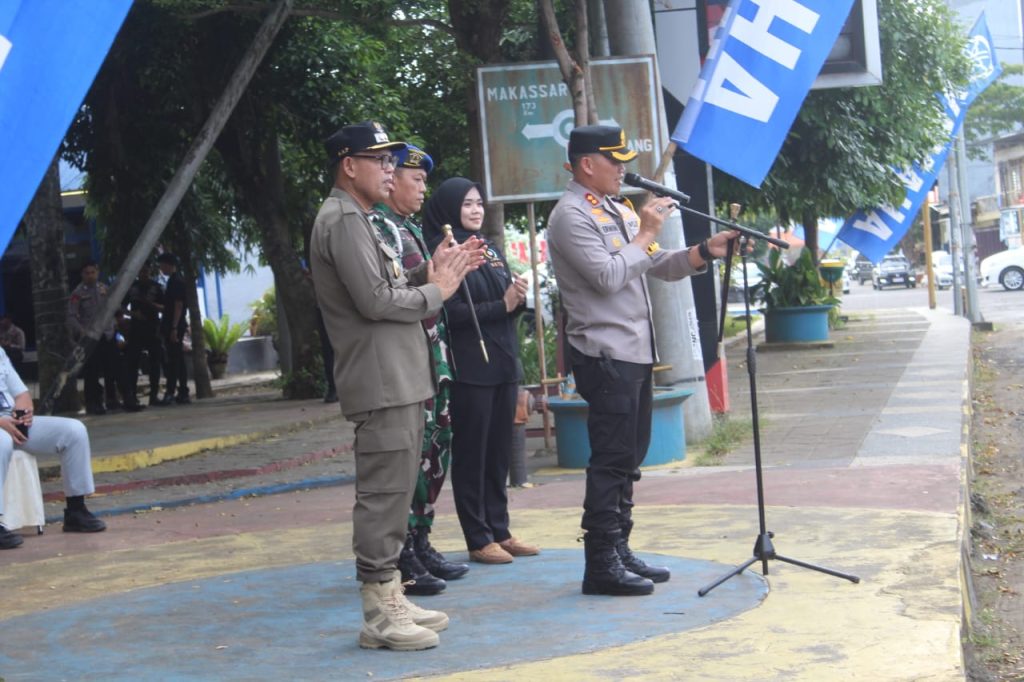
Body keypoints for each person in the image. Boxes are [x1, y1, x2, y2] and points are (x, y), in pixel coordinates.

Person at [309, 121, 481, 651]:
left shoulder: (359, 218)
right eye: (380, 160)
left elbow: (388, 288)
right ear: (348, 165)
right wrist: (438, 289)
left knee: (397, 490)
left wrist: (430, 275)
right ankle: (377, 613)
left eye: (391, 161)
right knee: (383, 497)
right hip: (380, 381)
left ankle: (390, 593)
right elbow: (376, 303)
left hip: (400, 377)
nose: (390, 169)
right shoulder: (341, 220)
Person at [546, 125, 739, 596]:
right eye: (615, 161)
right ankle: (600, 564)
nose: (623, 170)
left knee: (629, 457)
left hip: (634, 352)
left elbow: (658, 264)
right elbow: (609, 276)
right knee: (611, 459)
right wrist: (648, 229)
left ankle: (620, 547)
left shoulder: (616, 210)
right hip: (604, 353)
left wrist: (702, 252)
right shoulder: (571, 216)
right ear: (587, 164)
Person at [369, 146, 470, 597]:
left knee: (435, 450)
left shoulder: (407, 228)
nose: (421, 188)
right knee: (412, 457)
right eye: (416, 179)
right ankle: (403, 550)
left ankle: (421, 538)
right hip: (408, 360)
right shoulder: (380, 229)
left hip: (433, 356)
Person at [422, 178, 538, 566]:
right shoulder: (444, 253)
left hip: (503, 362)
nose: (475, 210)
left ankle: (500, 529)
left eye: (479, 203)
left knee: (498, 453)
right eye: (467, 204)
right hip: (471, 367)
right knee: (473, 454)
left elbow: (504, 302)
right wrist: (502, 306)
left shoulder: (487, 248)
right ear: (449, 209)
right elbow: (450, 313)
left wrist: (516, 299)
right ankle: (478, 535)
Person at [0, 348, 106, 550]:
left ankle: (76, 511)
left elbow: (21, 394)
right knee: (2, 442)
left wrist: (25, 414)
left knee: (74, 431)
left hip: (12, 422)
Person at [67, 262, 121, 414]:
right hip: (91, 337)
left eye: (93, 272)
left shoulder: (105, 289)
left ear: (97, 273)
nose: (90, 276)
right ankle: (93, 403)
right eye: (87, 273)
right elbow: (71, 316)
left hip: (108, 334)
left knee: (112, 369)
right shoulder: (78, 293)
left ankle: (112, 400)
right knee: (92, 372)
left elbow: (115, 308)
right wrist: (81, 330)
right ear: (82, 275)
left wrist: (115, 325)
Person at [120, 263, 165, 411]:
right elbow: (121, 307)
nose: (143, 273)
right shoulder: (132, 288)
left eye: (146, 270)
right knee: (132, 363)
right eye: (141, 271)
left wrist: (151, 304)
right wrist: (133, 315)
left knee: (155, 362)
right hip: (136, 329)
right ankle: (132, 396)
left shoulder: (156, 287)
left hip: (153, 329)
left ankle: (154, 395)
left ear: (150, 271)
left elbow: (165, 307)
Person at [156, 253, 190, 405]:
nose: (161, 269)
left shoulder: (176, 281)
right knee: (178, 359)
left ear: (168, 265)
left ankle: (171, 392)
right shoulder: (173, 280)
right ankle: (182, 391)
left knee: (174, 360)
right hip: (173, 324)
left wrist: (174, 328)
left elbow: (178, 305)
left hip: (174, 325)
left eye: (162, 265)